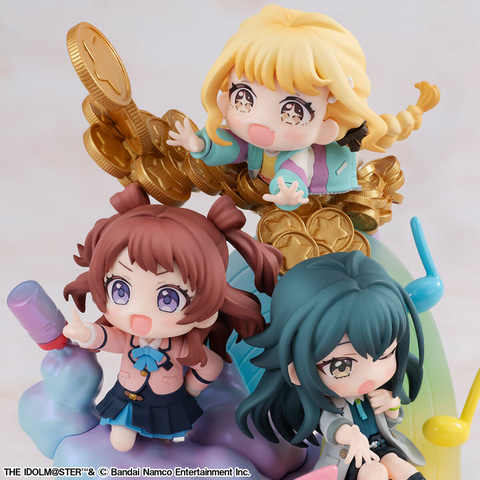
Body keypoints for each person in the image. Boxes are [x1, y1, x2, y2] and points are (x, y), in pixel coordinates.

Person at [63, 183, 282, 451]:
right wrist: (86, 333)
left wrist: (191, 389)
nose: (138, 312)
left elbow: (210, 365)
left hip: (166, 402)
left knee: (162, 445)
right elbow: (110, 338)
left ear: (207, 308)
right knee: (121, 440)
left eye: (168, 298)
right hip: (127, 397)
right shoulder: (131, 339)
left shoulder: (180, 347)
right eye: (120, 290)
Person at [168, 5, 439, 211]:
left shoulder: (299, 154)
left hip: (323, 199)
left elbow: (293, 173)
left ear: (325, 126)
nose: (260, 120)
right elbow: (230, 144)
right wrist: (201, 143)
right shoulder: (253, 142)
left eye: (293, 111)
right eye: (244, 98)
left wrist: (288, 194)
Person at [236, 252, 426, 480]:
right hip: (352, 459)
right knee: (374, 472)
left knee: (399, 465)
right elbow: (333, 427)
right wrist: (352, 436)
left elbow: (391, 423)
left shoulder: (374, 394)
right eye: (341, 366)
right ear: (297, 372)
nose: (371, 375)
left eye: (386, 354)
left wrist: (392, 404)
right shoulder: (332, 406)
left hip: (384, 447)